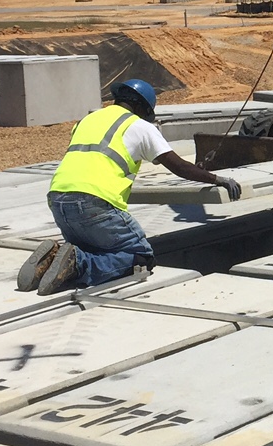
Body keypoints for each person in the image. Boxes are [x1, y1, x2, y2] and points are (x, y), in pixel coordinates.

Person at [18, 79, 243, 295]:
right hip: (95, 203)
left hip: (58, 200)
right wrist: (217, 179)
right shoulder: (139, 126)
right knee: (140, 256)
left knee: (95, 248)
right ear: (142, 107)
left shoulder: (86, 121)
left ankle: (52, 260)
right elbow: (179, 166)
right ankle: (78, 263)